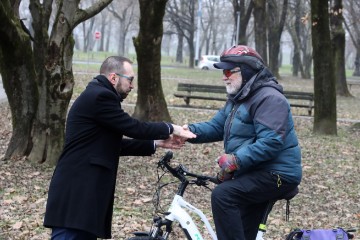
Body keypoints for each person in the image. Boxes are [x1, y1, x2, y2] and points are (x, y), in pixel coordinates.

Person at [43, 56, 196, 240]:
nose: (132, 86)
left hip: (84, 193)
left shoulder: (98, 95)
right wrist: (172, 128)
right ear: (114, 78)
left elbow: (111, 144)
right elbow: (133, 127)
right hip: (77, 192)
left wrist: (157, 143)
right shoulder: (100, 96)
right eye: (130, 80)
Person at [183, 45, 302, 240]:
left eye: (229, 71)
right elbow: (216, 127)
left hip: (278, 173)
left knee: (223, 195)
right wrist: (187, 132)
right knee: (245, 233)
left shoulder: (270, 98)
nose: (224, 76)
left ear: (246, 71)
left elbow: (271, 142)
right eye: (223, 71)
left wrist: (235, 160)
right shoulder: (239, 98)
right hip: (256, 170)